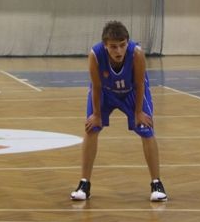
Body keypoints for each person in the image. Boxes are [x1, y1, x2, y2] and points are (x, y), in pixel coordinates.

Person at [70, 20, 167, 203]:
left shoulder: (136, 53)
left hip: (132, 92)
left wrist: (138, 112)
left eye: (122, 45)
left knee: (146, 129)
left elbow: (140, 84)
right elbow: (96, 86)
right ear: (105, 46)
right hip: (105, 92)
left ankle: (157, 184)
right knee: (91, 128)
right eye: (114, 47)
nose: (119, 51)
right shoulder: (95, 55)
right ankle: (84, 184)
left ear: (127, 43)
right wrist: (96, 114)